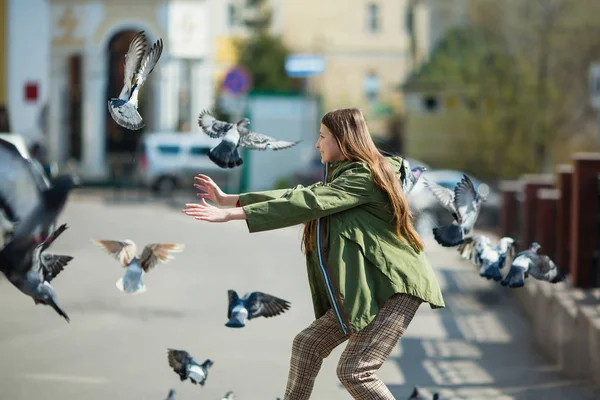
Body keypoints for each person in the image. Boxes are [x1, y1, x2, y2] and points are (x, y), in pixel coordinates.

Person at [183, 108, 445, 399]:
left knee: (356, 371)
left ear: (343, 141)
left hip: (395, 287)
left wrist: (232, 216)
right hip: (369, 288)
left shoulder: (364, 177)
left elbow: (308, 201)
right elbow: (295, 195)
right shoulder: (345, 177)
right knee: (307, 345)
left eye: (322, 137)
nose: (317, 144)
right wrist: (231, 200)